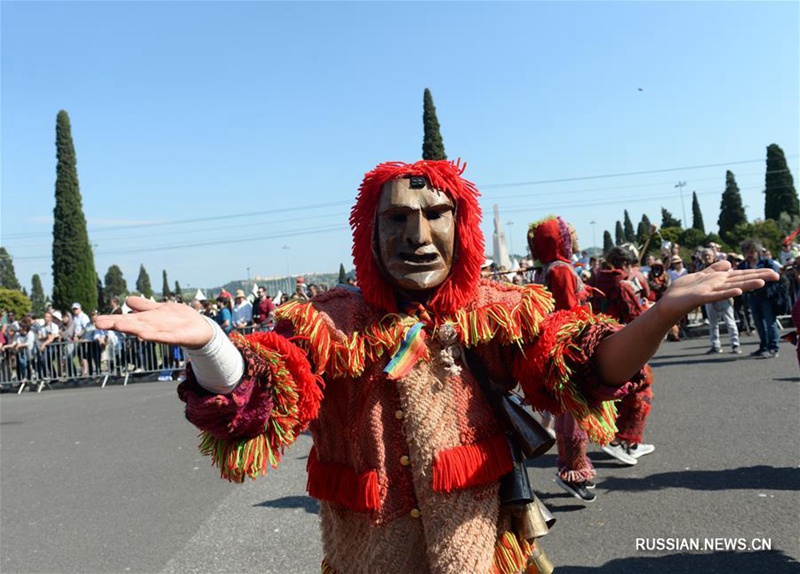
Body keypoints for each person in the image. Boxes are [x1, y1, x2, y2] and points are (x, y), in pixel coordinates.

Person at [97, 160, 777, 574]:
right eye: (395, 220)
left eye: (434, 215)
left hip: (484, 552)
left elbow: (584, 365)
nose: (417, 237)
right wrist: (212, 347)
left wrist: (654, 318)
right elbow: (265, 390)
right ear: (369, 236)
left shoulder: (502, 309)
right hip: (368, 559)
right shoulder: (327, 323)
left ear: (464, 226)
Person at [528, 216, 596, 503]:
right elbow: (570, 313)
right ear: (559, 241)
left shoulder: (548, 270)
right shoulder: (562, 270)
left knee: (567, 413)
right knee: (575, 414)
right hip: (569, 347)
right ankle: (573, 470)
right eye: (569, 235)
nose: (574, 240)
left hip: (555, 347)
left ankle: (572, 467)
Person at [739, 240, 781, 358]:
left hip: (766, 296)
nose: (749, 254)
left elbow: (775, 278)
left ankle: (773, 347)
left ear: (757, 252)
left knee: (770, 322)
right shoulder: (743, 265)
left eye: (751, 251)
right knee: (758, 323)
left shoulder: (767, 263)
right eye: (746, 252)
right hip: (752, 297)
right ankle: (763, 346)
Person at [699, 248, 741, 354]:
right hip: (708, 297)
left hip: (723, 296)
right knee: (713, 323)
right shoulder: (700, 268)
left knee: (730, 321)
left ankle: (735, 344)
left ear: (714, 256)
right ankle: (715, 345)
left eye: (709, 255)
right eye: (704, 255)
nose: (707, 257)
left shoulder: (720, 266)